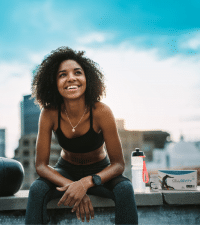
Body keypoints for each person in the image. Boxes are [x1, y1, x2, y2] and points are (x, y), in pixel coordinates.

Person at [25, 47, 138, 224]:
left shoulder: (101, 111)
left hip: (100, 172)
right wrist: (73, 186)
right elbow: (41, 166)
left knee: (124, 188)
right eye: (62, 75)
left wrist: (85, 183)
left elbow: (118, 165)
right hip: (66, 170)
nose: (71, 78)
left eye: (78, 72)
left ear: (88, 79)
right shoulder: (49, 113)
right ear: (54, 83)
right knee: (37, 188)